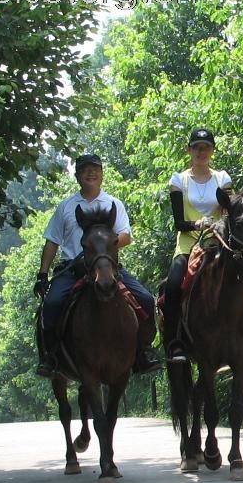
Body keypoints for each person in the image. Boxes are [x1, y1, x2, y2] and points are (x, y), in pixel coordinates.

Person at [33, 153, 161, 378]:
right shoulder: (66, 207)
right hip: (72, 268)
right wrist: (43, 274)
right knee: (51, 305)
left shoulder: (113, 204)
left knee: (146, 299)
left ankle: (143, 351)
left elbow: (126, 236)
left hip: (107, 267)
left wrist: (101, 248)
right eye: (85, 170)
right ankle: (51, 356)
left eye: (95, 169)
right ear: (77, 176)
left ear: (102, 175)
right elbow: (52, 241)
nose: (90, 173)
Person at [162, 127, 243, 363]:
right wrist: (198, 224)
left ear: (212, 151)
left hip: (221, 241)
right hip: (189, 243)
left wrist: (219, 224)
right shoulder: (178, 180)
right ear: (189, 150)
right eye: (197, 147)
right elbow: (179, 222)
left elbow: (228, 212)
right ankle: (175, 342)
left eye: (206, 147)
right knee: (172, 286)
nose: (201, 152)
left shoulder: (223, 178)